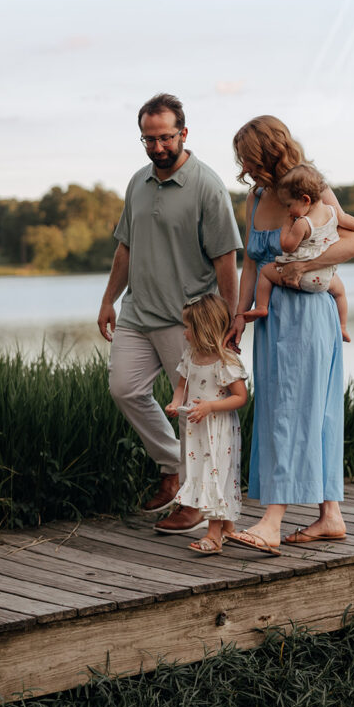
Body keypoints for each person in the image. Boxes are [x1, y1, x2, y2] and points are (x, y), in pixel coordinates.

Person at [97, 94, 242, 535]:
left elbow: (226, 259)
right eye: (148, 139)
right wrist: (108, 299)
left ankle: (196, 503)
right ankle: (171, 468)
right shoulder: (138, 181)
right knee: (124, 389)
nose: (157, 147)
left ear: (183, 133)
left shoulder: (207, 186)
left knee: (194, 411)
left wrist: (230, 320)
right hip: (138, 312)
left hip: (190, 321)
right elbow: (126, 246)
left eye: (165, 137)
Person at [224, 116, 354, 554]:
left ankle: (272, 521)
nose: (244, 167)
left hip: (308, 316)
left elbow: (353, 244)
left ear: (269, 150)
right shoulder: (256, 196)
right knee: (287, 410)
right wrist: (238, 315)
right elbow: (251, 262)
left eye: (249, 157)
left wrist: (301, 267)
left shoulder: (310, 186)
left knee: (296, 411)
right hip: (271, 319)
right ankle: (330, 516)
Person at [242, 163, 354, 341]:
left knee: (265, 273)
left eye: (289, 205)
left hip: (300, 278)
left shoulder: (302, 223)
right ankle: (342, 326)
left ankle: (262, 306)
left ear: (305, 200)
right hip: (324, 278)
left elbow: (288, 246)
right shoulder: (333, 213)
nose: (288, 210)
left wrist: (287, 224)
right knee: (340, 292)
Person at [164, 294, 248, 554]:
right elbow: (182, 386)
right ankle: (228, 528)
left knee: (217, 474)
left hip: (218, 429)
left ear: (203, 329)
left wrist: (210, 407)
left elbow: (240, 397)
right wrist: (175, 402)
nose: (185, 333)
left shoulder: (225, 361)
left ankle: (213, 536)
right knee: (206, 474)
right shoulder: (191, 356)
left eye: (188, 327)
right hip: (198, 429)